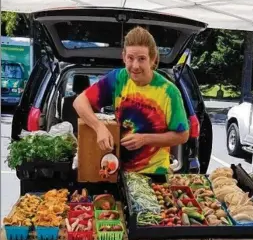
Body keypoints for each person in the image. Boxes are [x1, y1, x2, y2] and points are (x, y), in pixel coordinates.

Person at [73, 26, 189, 174]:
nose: (135, 66)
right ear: (124, 56)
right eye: (130, 58)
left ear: (152, 59)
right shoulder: (118, 78)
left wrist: (145, 139)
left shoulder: (169, 92)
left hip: (154, 173)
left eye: (142, 59)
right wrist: (99, 127)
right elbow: (79, 102)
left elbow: (182, 135)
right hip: (119, 171)